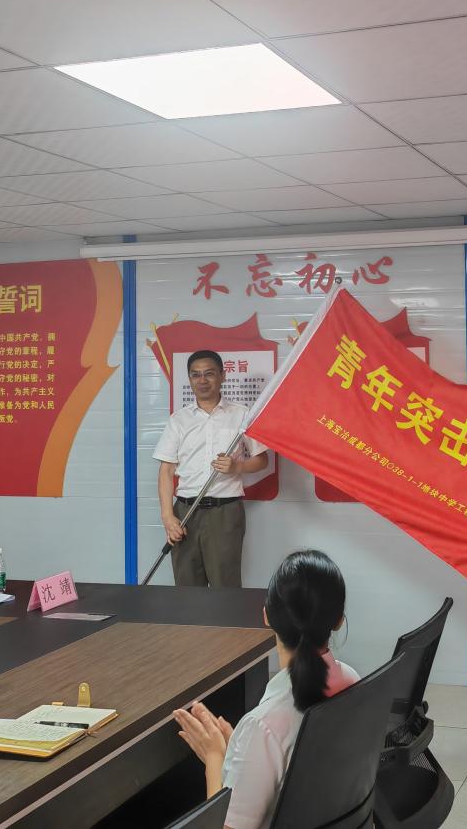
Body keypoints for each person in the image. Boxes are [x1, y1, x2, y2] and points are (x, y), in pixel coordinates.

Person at [172, 549, 357, 829]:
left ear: (266, 615)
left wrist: (214, 760)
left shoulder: (265, 725)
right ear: (339, 619)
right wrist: (241, 753)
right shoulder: (353, 681)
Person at [153, 350, 269, 588]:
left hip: (224, 513)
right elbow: (166, 471)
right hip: (185, 512)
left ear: (222, 376)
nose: (202, 380)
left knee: (224, 587)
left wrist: (237, 466)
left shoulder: (242, 415)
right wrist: (167, 516)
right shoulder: (179, 420)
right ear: (189, 379)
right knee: (186, 586)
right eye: (195, 375)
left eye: (209, 374)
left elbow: (262, 460)